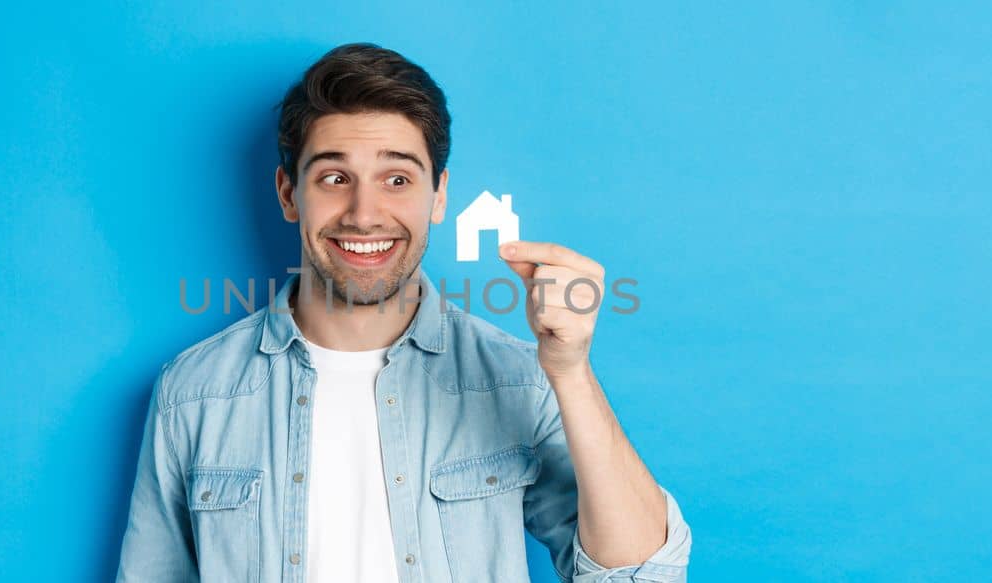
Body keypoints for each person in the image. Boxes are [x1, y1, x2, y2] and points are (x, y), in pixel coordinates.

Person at [116, 42, 691, 583]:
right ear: (289, 194)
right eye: (335, 178)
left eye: (396, 179)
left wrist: (571, 372)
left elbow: (643, 576)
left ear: (438, 195)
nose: (365, 215)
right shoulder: (192, 395)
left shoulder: (519, 378)